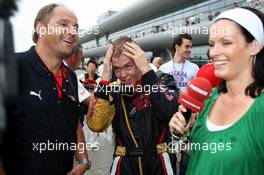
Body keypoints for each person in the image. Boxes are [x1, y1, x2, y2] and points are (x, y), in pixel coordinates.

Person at [169, 6, 264, 175]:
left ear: (254, 46)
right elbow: (204, 156)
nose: (213, 53)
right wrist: (182, 134)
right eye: (212, 44)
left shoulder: (261, 108)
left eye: (226, 43)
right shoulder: (209, 98)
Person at [1, 4, 90, 174]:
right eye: (63, 25)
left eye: (75, 28)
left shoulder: (70, 76)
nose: (72, 32)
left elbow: (74, 120)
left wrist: (83, 160)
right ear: (40, 28)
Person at [86, 36, 179, 174]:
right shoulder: (111, 88)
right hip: (125, 163)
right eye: (117, 69)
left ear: (139, 61)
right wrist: (105, 77)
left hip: (159, 162)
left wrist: (147, 72)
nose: (122, 74)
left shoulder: (162, 80)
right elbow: (96, 125)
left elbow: (169, 112)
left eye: (128, 66)